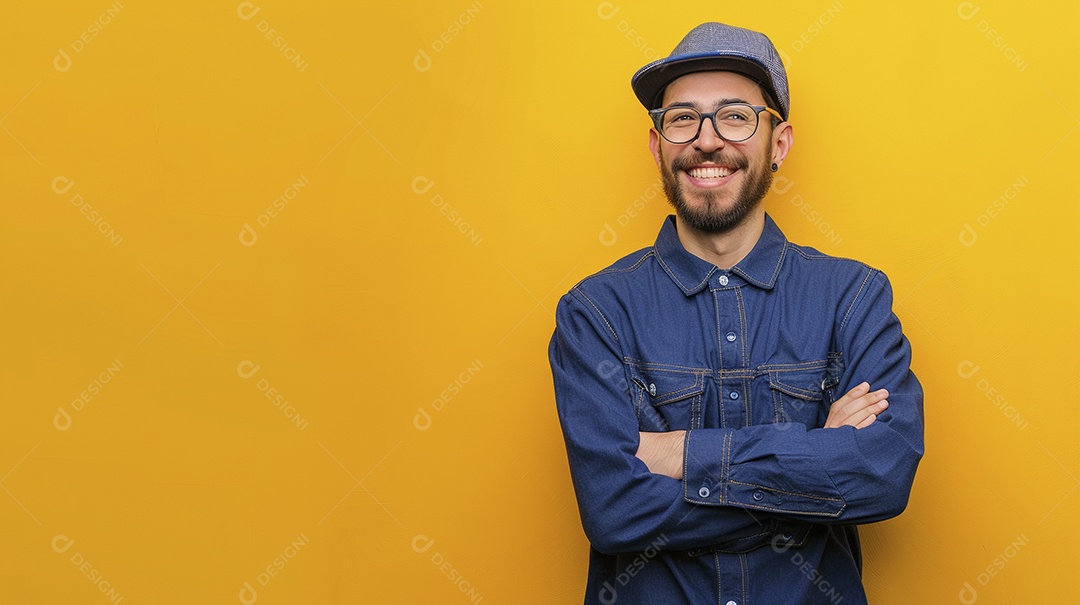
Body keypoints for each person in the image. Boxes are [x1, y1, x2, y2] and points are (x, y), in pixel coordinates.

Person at [548, 22, 924, 605]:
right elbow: (614, 511)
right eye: (682, 118)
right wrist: (813, 459)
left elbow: (881, 476)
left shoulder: (853, 297)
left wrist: (683, 455)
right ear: (657, 145)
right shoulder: (596, 313)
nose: (706, 140)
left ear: (778, 143)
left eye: (735, 115)